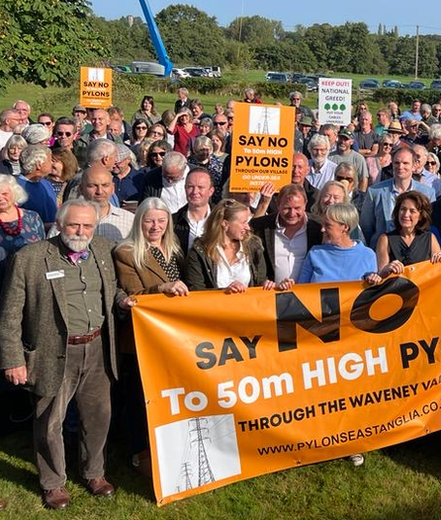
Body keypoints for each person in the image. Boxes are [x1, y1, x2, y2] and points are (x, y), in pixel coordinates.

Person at [1, 199, 134, 509]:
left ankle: (94, 472)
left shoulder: (102, 248)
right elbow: (9, 316)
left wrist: (124, 300)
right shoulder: (30, 258)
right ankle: (53, 483)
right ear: (59, 224)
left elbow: (109, 289)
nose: (80, 231)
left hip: (98, 347)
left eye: (87, 225)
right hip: (53, 351)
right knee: (50, 421)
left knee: (98, 417)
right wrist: (13, 359)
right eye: (74, 224)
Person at [112, 198, 189, 476]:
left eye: (161, 220)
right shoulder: (126, 251)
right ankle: (139, 450)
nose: (155, 226)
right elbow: (134, 295)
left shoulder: (175, 248)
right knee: (138, 397)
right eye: (149, 220)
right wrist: (163, 287)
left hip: (172, 336)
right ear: (139, 221)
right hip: (140, 339)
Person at [183, 199, 275, 292]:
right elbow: (195, 289)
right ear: (225, 224)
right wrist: (224, 292)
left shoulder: (254, 246)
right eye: (243, 222)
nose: (247, 227)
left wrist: (265, 284)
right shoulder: (200, 251)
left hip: (247, 305)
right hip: (214, 306)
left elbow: (259, 281)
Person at [360, 147, 436, 248]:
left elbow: (428, 227)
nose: (400, 167)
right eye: (396, 163)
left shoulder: (427, 193)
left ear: (414, 166)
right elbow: (366, 228)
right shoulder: (374, 192)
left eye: (405, 163)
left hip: (415, 252)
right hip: (382, 252)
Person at [250, 184, 323, 286]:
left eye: (297, 208)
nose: (292, 213)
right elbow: (254, 262)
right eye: (287, 208)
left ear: (305, 204)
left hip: (307, 295)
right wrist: (263, 281)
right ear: (278, 204)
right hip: (271, 295)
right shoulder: (260, 226)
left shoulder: (318, 226)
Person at [372, 191, 441, 279]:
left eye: (412, 211)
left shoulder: (430, 238)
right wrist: (387, 269)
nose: (406, 214)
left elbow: (439, 271)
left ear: (421, 215)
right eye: (403, 209)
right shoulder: (385, 239)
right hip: (395, 291)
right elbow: (380, 274)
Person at [0, 174, 45, 281]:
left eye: (4, 193)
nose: (0, 198)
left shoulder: (33, 217)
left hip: (30, 279)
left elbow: (43, 248)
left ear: (15, 193)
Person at [16, 144, 57, 226]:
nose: (53, 163)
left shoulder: (46, 183)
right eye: (50, 159)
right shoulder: (16, 188)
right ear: (39, 164)